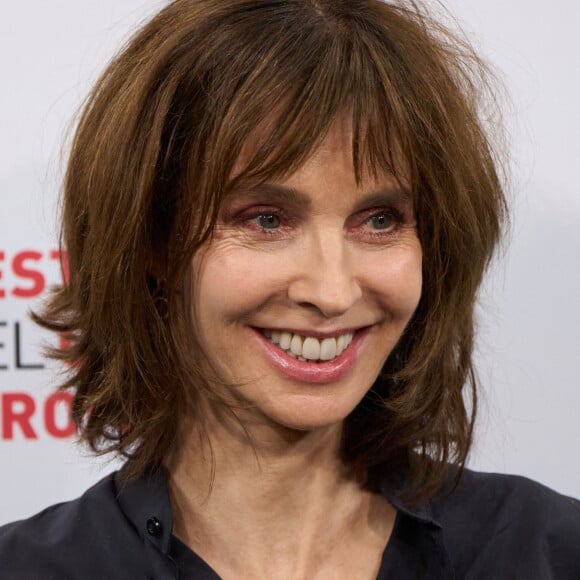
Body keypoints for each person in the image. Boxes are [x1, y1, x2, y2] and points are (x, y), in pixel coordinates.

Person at [1, 0, 578, 578]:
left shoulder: (545, 550)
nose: (331, 291)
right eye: (266, 219)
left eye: (380, 220)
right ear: (153, 240)